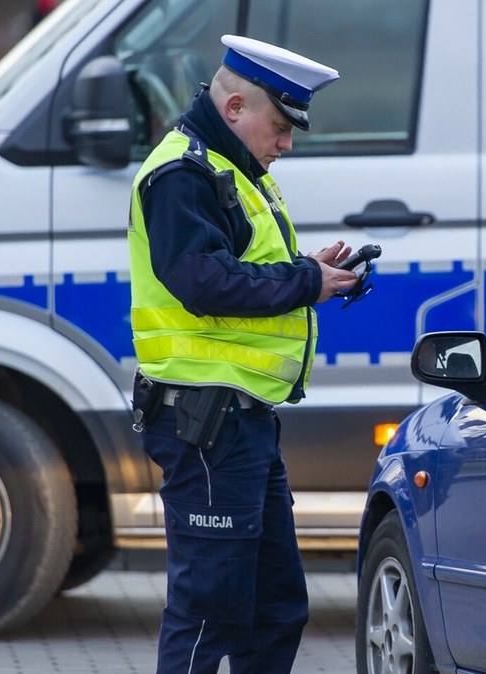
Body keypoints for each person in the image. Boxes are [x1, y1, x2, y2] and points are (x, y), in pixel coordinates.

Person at [126, 35, 359, 673]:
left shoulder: (229, 169)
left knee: (275, 607)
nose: (286, 144)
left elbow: (238, 269)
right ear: (233, 108)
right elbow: (202, 282)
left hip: (241, 420)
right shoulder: (184, 173)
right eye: (279, 127)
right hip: (206, 424)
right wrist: (307, 282)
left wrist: (307, 270)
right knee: (210, 613)